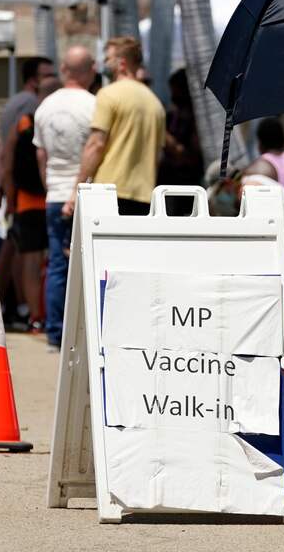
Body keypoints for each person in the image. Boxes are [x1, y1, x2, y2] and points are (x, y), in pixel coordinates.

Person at [34, 46, 97, 349]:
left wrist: (49, 186)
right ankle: (82, 332)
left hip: (55, 193)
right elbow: (96, 149)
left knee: (57, 263)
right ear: (89, 71)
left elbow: (41, 154)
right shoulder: (94, 104)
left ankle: (55, 331)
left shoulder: (45, 106)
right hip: (85, 190)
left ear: (63, 70)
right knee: (87, 263)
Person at [66, 37, 165, 217]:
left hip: (108, 192)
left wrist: (77, 189)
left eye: (107, 59)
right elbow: (158, 154)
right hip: (144, 195)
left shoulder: (108, 94)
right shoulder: (155, 103)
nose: (104, 64)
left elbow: (96, 145)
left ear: (122, 64)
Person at [0, 55, 56, 323]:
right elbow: (8, 160)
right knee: (41, 260)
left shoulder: (23, 117)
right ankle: (33, 312)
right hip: (45, 198)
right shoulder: (29, 114)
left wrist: (9, 195)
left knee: (27, 258)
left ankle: (32, 315)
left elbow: (6, 160)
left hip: (27, 200)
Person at [157, 69, 204, 215]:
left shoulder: (195, 119)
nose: (173, 96)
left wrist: (165, 137)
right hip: (168, 179)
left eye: (177, 91)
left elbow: (188, 155)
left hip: (187, 182)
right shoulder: (171, 116)